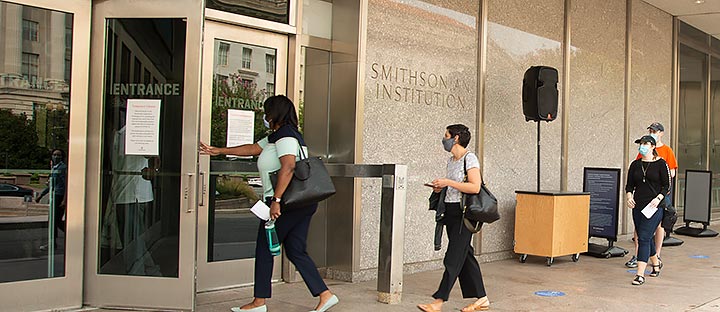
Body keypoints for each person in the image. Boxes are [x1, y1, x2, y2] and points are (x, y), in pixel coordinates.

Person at [200, 95, 338, 312]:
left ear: (275, 114)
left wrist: (276, 201)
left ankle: (258, 302)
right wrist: (220, 150)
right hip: (300, 203)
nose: (265, 117)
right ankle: (325, 294)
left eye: (267, 112)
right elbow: (253, 148)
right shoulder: (281, 136)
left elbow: (288, 168)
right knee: (295, 250)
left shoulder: (285, 137)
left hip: (286, 204)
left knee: (265, 248)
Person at [418, 124, 490, 312]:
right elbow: (455, 187)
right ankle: (482, 298)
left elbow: (475, 187)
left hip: (465, 214)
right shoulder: (451, 161)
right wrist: (440, 187)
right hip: (450, 211)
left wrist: (449, 182)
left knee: (453, 257)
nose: (444, 139)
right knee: (465, 255)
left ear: (456, 138)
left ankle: (439, 301)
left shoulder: (470, 158)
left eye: (446, 136)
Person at [625, 122, 678, 268]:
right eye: (650, 130)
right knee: (643, 233)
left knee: (651, 231)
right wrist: (629, 196)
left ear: (660, 133)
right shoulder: (638, 160)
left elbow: (670, 176)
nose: (652, 132)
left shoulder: (666, 152)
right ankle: (649, 259)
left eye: (654, 131)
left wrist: (659, 195)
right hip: (640, 199)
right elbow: (633, 179)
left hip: (657, 197)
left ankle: (643, 270)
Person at [625, 135, 669, 285]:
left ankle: (640, 274)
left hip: (655, 206)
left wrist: (658, 199)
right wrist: (629, 197)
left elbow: (666, 186)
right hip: (638, 206)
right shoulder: (635, 165)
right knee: (646, 237)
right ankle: (656, 264)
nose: (642, 146)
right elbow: (629, 185)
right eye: (640, 143)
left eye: (645, 143)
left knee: (643, 237)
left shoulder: (661, 164)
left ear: (652, 146)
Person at [36, 148, 68, 251]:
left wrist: (64, 199)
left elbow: (66, 184)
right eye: (54, 155)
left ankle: (54, 242)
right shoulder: (55, 168)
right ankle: (55, 242)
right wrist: (41, 195)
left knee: (54, 221)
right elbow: (52, 185)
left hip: (59, 196)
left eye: (58, 155)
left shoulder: (62, 168)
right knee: (55, 221)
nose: (56, 157)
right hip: (55, 195)